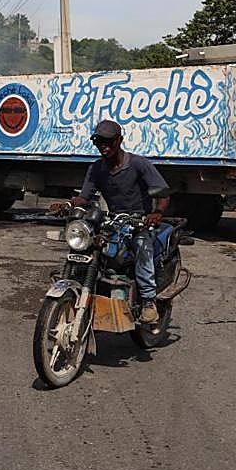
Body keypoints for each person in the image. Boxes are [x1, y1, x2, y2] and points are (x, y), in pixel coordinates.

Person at [68, 119, 170, 323]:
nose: (103, 146)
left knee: (142, 247)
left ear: (119, 140)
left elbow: (163, 193)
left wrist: (157, 213)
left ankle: (148, 301)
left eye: (108, 141)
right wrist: (68, 204)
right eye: (98, 142)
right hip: (112, 221)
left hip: (139, 221)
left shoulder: (138, 164)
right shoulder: (96, 168)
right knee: (87, 245)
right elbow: (85, 197)